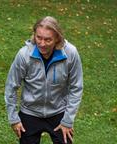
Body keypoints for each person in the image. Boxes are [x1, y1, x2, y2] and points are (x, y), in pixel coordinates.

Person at [5, 16, 83, 144]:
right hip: (29, 113)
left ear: (57, 38)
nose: (42, 43)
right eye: (38, 38)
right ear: (34, 35)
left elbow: (76, 87)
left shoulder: (70, 54)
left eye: (48, 40)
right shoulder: (24, 55)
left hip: (59, 113)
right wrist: (14, 119)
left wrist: (68, 120)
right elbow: (11, 87)